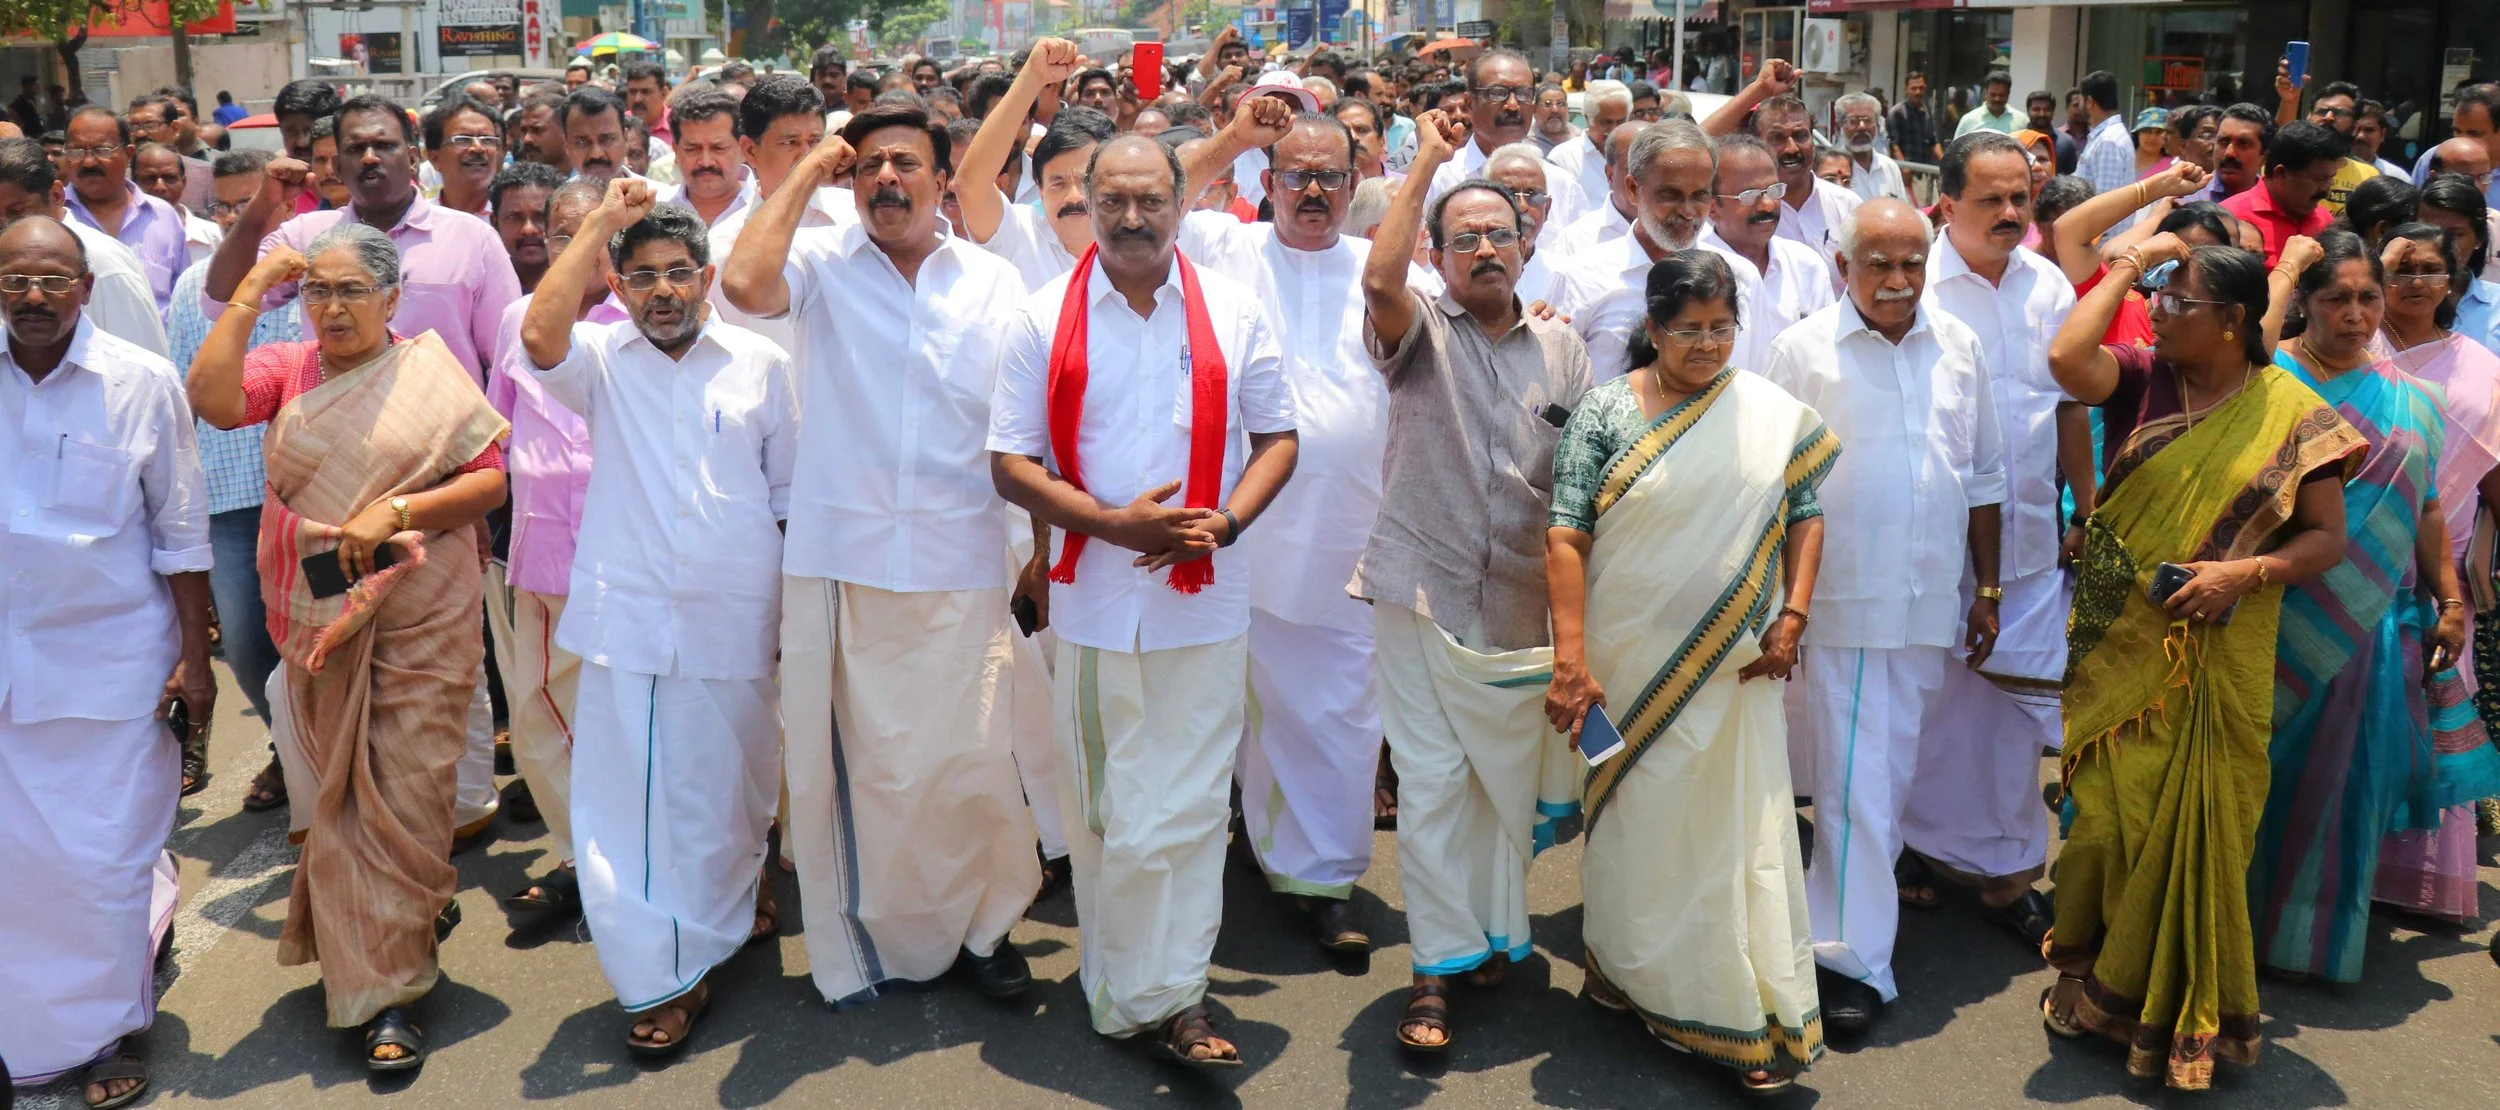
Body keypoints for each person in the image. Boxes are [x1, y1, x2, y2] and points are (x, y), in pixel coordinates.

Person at [721, 102, 1047, 1008]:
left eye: (905, 163)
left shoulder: (993, 282)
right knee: (867, 766)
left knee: (972, 759)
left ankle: (987, 928)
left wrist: (1042, 548)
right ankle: (885, 935)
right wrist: (806, 168)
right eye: (866, 167)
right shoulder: (821, 263)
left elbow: (1028, 425)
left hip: (964, 552)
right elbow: (744, 286)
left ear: (946, 179)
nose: (884, 181)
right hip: (845, 555)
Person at [986, 133, 1299, 1067]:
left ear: (1179, 203)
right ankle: (1123, 983)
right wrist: (1109, 525)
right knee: (1108, 809)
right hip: (1092, 600)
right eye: (1110, 200)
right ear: (1083, 201)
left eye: (1148, 201)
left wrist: (1230, 524)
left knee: (1193, 806)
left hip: (1204, 601)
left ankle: (1176, 997)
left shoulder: (1235, 312)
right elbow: (1008, 462)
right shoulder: (1044, 316)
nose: (1130, 218)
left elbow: (1278, 437)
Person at [2043, 233, 2361, 1090]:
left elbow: (2327, 538)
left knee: (2202, 824)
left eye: (2176, 301)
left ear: (2230, 321)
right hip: (2120, 637)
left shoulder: (2294, 413)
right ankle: (2083, 968)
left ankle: (2164, 1001)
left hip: (2224, 647)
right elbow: (2068, 357)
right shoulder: (2144, 380)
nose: (2159, 312)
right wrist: (2122, 265)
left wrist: (2244, 572)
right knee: (2104, 821)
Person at [187, 222, 509, 1071]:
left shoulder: (428, 371)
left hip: (423, 607)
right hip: (319, 611)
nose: (331, 308)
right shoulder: (290, 369)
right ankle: (384, 957)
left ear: (392, 299)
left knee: (407, 791)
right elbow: (213, 402)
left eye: (350, 291)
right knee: (338, 793)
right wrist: (254, 293)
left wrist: (395, 513)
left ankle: (390, 988)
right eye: (317, 292)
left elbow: (488, 477)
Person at [1543, 249, 1832, 1097]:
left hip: (1733, 666)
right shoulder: (1604, 412)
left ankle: (1727, 1007)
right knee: (1635, 820)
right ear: (1654, 329)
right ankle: (1620, 967)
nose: (1707, 346)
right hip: (1623, 665)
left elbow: (1805, 514)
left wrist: (1793, 615)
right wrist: (1570, 661)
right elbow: (1565, 535)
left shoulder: (1771, 413)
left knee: (1728, 832)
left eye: (1721, 329)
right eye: (1687, 331)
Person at [517, 181, 793, 1057]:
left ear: (708, 278)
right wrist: (600, 221)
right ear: (619, 285)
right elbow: (537, 335)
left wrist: (795, 616)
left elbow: (786, 499)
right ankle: (664, 976)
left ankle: (737, 892)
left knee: (732, 793)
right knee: (631, 811)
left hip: (737, 615)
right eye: (642, 277)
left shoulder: (762, 366)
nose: (663, 291)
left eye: (679, 273)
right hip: (627, 616)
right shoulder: (600, 366)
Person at [1359, 110, 1591, 1053]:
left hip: (1517, 606)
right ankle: (1432, 968)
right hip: (1418, 588)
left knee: (1499, 784)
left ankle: (1492, 938)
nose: (1487, 248)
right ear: (1438, 255)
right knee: (1433, 780)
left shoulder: (1563, 348)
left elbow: (1575, 481)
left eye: (1502, 233)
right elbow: (1379, 276)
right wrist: (1423, 158)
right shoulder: (1418, 326)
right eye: (1467, 239)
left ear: (1527, 246)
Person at [1757, 198, 2004, 1037]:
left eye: (1912, 265)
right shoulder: (1802, 351)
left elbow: (1984, 477)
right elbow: (1772, 485)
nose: (1898, 283)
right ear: (1842, 267)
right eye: (1879, 266)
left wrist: (1990, 589)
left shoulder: (1959, 346)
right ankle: (1849, 962)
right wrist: (1782, 606)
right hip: (1843, 600)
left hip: (1931, 597)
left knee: (1882, 776)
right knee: (1860, 782)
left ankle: (1839, 922)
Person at [1171, 101, 1395, 954]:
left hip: (1344, 529)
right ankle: (1218, 856)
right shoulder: (1225, 247)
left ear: (1352, 186)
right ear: (1265, 185)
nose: (1311, 190)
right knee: (1214, 701)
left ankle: (1325, 877)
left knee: (1337, 708)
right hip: (1227, 527)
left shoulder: (1382, 267)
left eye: (1328, 177)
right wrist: (1231, 137)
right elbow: (1157, 194)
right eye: (1294, 175)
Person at [0, 216, 212, 1110]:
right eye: (16, 280)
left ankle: (114, 1027)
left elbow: (182, 532)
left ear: (86, 287)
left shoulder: (141, 381)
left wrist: (196, 662)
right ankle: (37, 1026)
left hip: (116, 664)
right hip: (11, 669)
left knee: (106, 861)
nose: (35, 297)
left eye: (53, 280)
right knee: (20, 868)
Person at [2249, 229, 2464, 983]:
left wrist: (2452, 598)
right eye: (2335, 297)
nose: (2355, 312)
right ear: (2304, 302)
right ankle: (2223, 927)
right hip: (2266, 611)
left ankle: (2313, 940)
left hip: (2370, 627)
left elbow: (2429, 508)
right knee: (2255, 775)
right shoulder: (2264, 380)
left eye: (2367, 297)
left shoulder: (2416, 401)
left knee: (2347, 786)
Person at [1899, 132, 2075, 946]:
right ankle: (1909, 849)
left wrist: (2089, 503)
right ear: (1946, 206)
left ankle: (2008, 877)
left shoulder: (2048, 284)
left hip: (2033, 535)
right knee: (1926, 705)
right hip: (1931, 540)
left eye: (2022, 199)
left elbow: (2069, 404)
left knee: (2012, 721)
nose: (2011, 214)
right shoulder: (1911, 287)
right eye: (1992, 200)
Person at [481, 178, 615, 928]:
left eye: (597, 232)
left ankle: (625, 857)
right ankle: (581, 854)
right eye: (568, 235)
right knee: (537, 716)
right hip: (537, 556)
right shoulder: (516, 319)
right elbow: (495, 432)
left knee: (624, 715)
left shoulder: (649, 317)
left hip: (628, 560)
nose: (579, 248)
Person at [203, 94, 521, 387]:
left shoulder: (472, 238)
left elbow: (507, 359)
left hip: (447, 440)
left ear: (412, 158)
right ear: (339, 166)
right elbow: (220, 302)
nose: (370, 158)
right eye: (355, 149)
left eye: (384, 146)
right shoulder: (304, 236)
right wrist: (261, 205)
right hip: (332, 437)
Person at [2368, 221, 2500, 922]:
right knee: (2362, 706)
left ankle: (2420, 878)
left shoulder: (2481, 365)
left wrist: (2484, 549)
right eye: (2399, 267)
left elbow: (2495, 473)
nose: (2414, 280)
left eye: (2429, 268)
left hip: (2441, 565)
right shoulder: (2352, 350)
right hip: (2353, 556)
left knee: (2432, 703)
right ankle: (2347, 853)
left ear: (2452, 281)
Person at [1547, 120, 1716, 381]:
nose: (1688, 211)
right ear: (1634, 189)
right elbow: (1553, 383)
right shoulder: (1580, 278)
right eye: (1671, 194)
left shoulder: (1737, 278)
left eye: (1700, 195)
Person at [958, 41, 1106, 290]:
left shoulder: (1142, 242)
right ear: (1040, 189)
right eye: (1058, 183)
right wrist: (1033, 77)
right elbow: (971, 186)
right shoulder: (1021, 236)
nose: (1073, 197)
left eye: (1086, 182)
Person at [0, 137, 167, 356]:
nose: (4, 225)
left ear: (57, 195)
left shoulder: (103, 260)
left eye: (16, 212)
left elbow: (143, 366)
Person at [1700, 132, 1836, 377]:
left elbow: (1825, 353)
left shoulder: (1806, 265)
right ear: (1711, 206)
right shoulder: (1694, 271)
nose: (1767, 205)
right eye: (1749, 195)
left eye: (1774, 190)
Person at [1703, 71, 1862, 263]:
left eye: (1800, 135)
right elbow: (1690, 150)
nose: (1792, 148)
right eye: (1777, 137)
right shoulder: (1737, 207)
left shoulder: (1847, 204)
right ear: (1756, 142)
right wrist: (1757, 90)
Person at [1425, 51, 1588, 231]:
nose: (1513, 105)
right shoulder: (1439, 180)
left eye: (1523, 94)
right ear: (1470, 103)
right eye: (1497, 93)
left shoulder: (1561, 184)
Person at [60, 106, 186, 312]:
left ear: (128, 153)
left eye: (102, 150)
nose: (89, 161)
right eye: (76, 151)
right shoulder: (54, 217)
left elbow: (182, 298)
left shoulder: (162, 215)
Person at [2222, 121, 2341, 267]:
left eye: (2330, 179)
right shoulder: (2229, 219)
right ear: (2280, 174)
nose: (2325, 189)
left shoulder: (2325, 220)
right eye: (2319, 179)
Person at [1544, 120, 1643, 257]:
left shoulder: (1679, 233)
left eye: (1657, 170)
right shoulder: (1576, 241)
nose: (1648, 179)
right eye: (1635, 170)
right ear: (1610, 175)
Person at [656, 88, 753, 227]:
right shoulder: (653, 213)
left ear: (745, 149)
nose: (706, 162)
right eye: (692, 149)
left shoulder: (768, 210)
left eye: (719, 148)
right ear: (676, 151)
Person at [1545, 79, 1627, 210]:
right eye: (1606, 122)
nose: (1614, 130)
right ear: (1588, 119)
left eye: (1621, 122)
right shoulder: (1563, 158)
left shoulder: (1637, 155)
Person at [490, 161, 567, 293]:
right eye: (514, 217)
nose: (528, 229)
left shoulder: (587, 286)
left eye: (541, 216)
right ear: (495, 223)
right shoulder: (482, 289)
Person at [421, 96, 502, 218]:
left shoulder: (511, 218)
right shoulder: (420, 219)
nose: (478, 148)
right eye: (463, 140)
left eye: (487, 140)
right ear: (435, 158)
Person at [2074, 70, 2134, 199]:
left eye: (2080, 100)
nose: (2079, 106)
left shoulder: (2108, 141)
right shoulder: (2105, 137)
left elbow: (2106, 202)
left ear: (2089, 102)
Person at [1837, 93, 1905, 202]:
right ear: (1838, 127)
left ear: (1877, 126)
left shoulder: (1889, 167)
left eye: (1868, 120)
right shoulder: (1833, 171)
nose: (1862, 127)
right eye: (1853, 121)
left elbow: (1902, 211)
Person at [561, 88, 635, 185]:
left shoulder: (657, 197)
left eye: (607, 139)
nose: (596, 154)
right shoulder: (556, 199)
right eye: (581, 142)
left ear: (625, 139)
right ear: (567, 146)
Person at [1888, 71, 1941, 165]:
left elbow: (1933, 142)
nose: (1918, 92)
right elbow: (1893, 144)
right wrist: (1904, 167)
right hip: (1904, 170)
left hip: (1924, 170)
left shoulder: (1927, 113)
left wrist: (1946, 163)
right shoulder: (1897, 112)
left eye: (1921, 88)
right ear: (1906, 90)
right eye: (1914, 88)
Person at [1954, 71, 2020, 139]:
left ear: (2008, 94)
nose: (1997, 99)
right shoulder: (1968, 120)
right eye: (1993, 95)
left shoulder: (2021, 121)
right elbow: (1955, 148)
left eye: (2002, 95)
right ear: (1985, 92)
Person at [2026, 90, 2080, 174]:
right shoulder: (2017, 140)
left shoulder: (2065, 143)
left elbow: (2071, 177)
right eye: (2036, 109)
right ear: (2028, 111)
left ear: (2053, 111)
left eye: (2047, 109)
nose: (2041, 114)